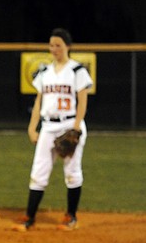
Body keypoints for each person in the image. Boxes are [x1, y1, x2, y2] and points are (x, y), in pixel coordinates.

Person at [14, 28, 93, 231]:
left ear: (67, 46)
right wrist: (32, 128)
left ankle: (71, 217)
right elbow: (38, 102)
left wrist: (75, 128)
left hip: (69, 124)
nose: (54, 49)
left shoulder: (77, 71)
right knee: (39, 171)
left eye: (58, 44)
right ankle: (29, 218)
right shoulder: (44, 73)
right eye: (51, 45)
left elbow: (82, 102)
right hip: (48, 126)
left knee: (72, 172)